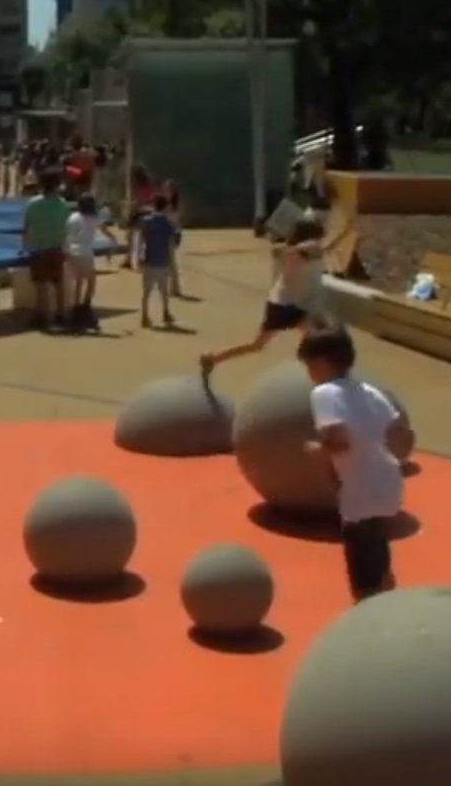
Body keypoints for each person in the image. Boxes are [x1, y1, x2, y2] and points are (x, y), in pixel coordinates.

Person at [298, 325, 406, 602]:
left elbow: (340, 442)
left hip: (360, 488)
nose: (309, 374)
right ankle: (384, 593)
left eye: (310, 366)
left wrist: (317, 449)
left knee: (359, 558)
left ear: (321, 363)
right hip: (387, 480)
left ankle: (366, 609)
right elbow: (398, 430)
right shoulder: (368, 390)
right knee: (377, 543)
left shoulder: (323, 393)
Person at [200, 218, 335, 374]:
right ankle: (212, 359)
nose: (319, 240)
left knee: (319, 335)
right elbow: (314, 249)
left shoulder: (307, 250)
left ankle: (316, 366)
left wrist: (348, 232)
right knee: (257, 345)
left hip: (295, 304)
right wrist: (287, 249)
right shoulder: (303, 250)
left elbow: (326, 248)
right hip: (282, 306)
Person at [21, 169, 72, 329]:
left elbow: (27, 227)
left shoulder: (33, 203)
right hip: (57, 248)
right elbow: (66, 227)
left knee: (41, 284)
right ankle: (61, 315)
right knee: (59, 283)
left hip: (39, 249)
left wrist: (25, 247)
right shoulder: (63, 204)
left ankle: (42, 316)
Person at [64, 194, 118, 329]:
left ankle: (75, 307)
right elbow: (106, 231)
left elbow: (66, 234)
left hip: (70, 250)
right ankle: (85, 306)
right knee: (91, 281)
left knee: (78, 280)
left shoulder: (73, 217)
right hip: (85, 252)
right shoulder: (94, 218)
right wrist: (114, 240)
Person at [137, 194, 178, 328]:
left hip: (149, 260)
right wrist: (171, 261)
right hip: (162, 261)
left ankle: (144, 316)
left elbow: (141, 241)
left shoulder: (146, 221)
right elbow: (171, 243)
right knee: (164, 291)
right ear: (165, 206)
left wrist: (139, 258)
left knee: (146, 292)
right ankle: (165, 313)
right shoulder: (167, 223)